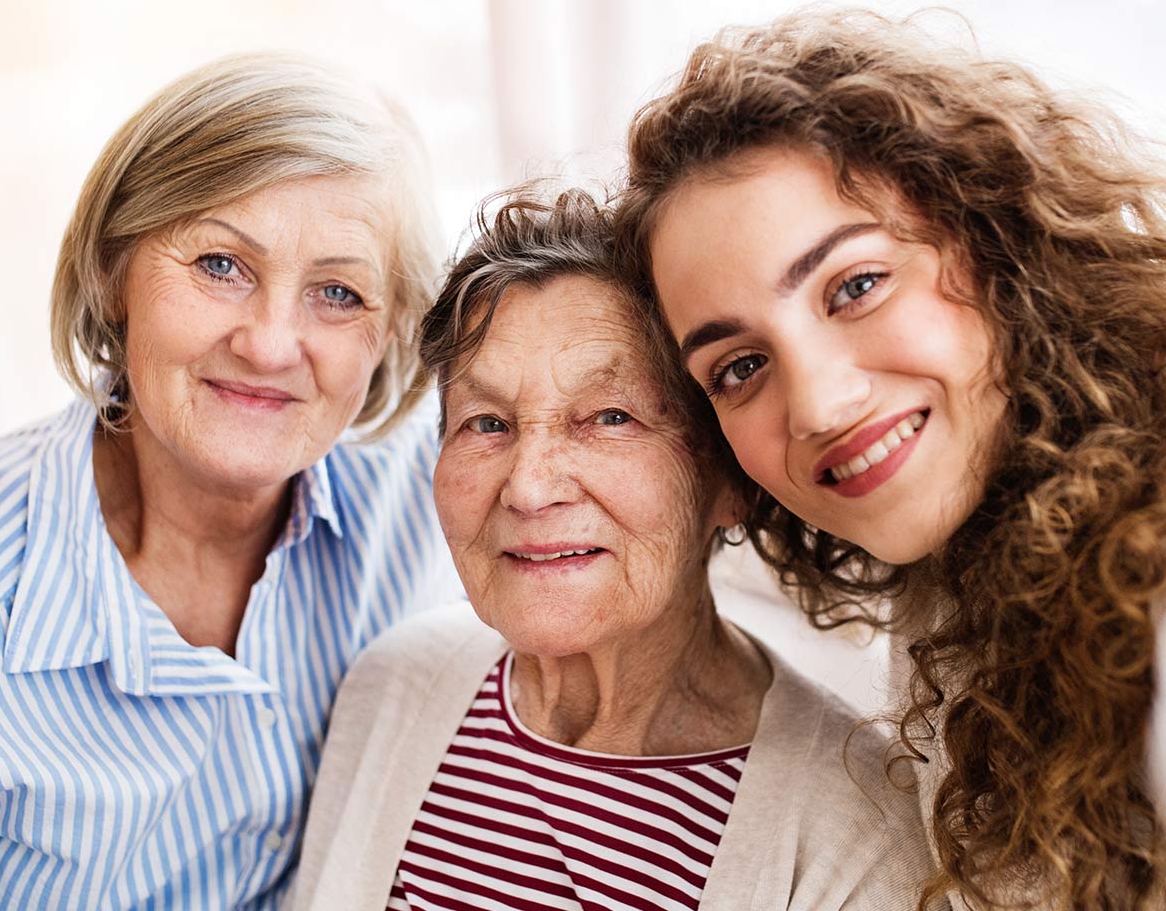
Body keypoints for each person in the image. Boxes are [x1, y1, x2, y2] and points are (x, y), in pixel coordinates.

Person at [0, 53, 459, 908]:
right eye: (221, 265)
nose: (268, 343)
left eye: (338, 292)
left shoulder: (442, 484)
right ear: (114, 272)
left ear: (392, 334)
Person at [618, 10, 1166, 910]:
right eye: (741, 367)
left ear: (996, 241)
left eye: (857, 286)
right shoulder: (960, 563)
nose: (822, 406)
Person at [289, 187, 939, 911]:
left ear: (729, 479)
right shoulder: (395, 684)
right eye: (486, 423)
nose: (529, 489)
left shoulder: (858, 830)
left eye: (609, 416)